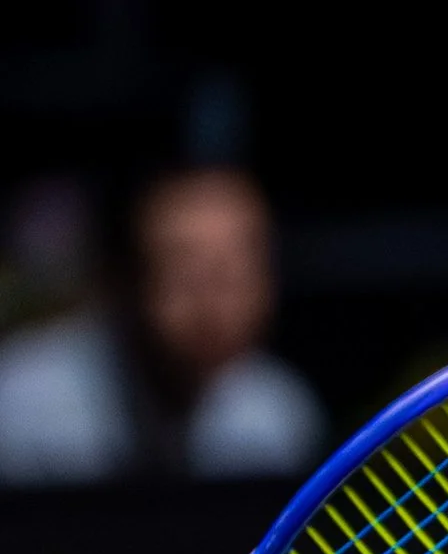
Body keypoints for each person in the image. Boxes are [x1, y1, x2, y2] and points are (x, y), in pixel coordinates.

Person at [0, 166, 321, 486]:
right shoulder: (23, 408)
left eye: (236, 270)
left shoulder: (277, 413)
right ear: (122, 278)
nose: (212, 302)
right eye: (187, 270)